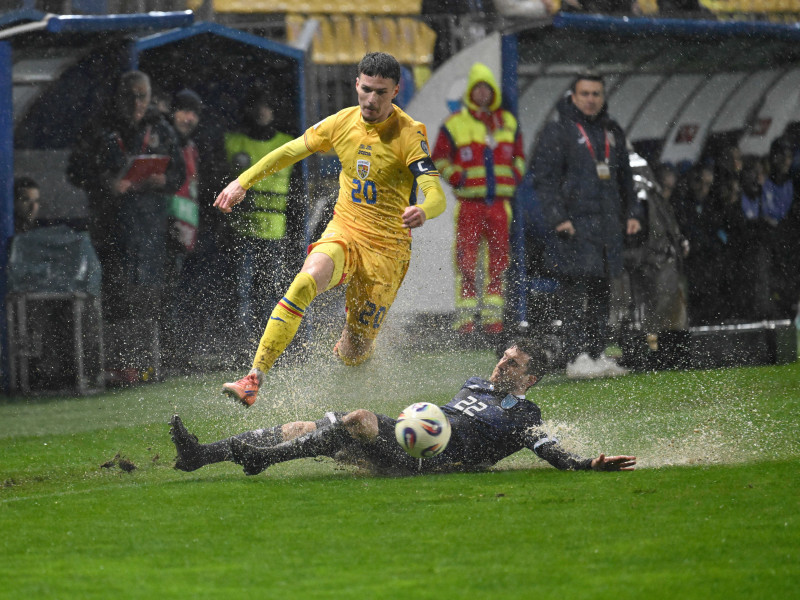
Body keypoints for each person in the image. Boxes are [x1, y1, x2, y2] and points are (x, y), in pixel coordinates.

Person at [214, 52, 447, 406]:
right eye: (366, 89)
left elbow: (436, 194)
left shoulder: (409, 134)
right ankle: (253, 378)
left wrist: (424, 210)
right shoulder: (341, 122)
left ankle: (355, 356)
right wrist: (242, 182)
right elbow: (289, 151)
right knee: (305, 281)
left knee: (354, 350)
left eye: (381, 92)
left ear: (396, 90)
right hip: (346, 230)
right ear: (356, 84)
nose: (371, 99)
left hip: (387, 252)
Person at [169, 340, 636, 476]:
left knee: (357, 419)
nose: (501, 363)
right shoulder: (475, 383)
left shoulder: (523, 416)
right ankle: (200, 456)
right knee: (303, 425)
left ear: (530, 380)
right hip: (413, 439)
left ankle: (260, 460)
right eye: (504, 355)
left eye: (513, 363)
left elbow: (548, 449)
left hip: (434, 461)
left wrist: (584, 464)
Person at [531, 73, 642, 379]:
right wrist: (558, 218)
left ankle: (595, 353)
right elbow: (545, 180)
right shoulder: (558, 131)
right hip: (575, 226)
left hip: (607, 226)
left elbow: (625, 179)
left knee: (602, 293)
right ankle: (574, 356)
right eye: (585, 93)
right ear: (573, 96)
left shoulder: (611, 130)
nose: (591, 99)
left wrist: (632, 213)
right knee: (573, 295)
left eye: (596, 93)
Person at [67, 70, 185, 326]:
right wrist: (104, 182)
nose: (136, 103)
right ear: (118, 98)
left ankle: (150, 361)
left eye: (142, 97)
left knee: (151, 297)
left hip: (150, 228)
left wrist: (164, 180)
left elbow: (179, 172)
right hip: (110, 227)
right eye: (130, 97)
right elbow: (75, 170)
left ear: (150, 97)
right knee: (114, 295)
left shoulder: (161, 129)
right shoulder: (100, 128)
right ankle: (117, 362)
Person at [432, 62, 526, 336]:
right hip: (469, 205)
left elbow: (519, 155)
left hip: (499, 204)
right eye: (478, 88)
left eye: (487, 88)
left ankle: (493, 320)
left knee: (499, 260)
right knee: (466, 259)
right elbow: (439, 158)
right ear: (470, 92)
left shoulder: (507, 123)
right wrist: (458, 178)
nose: (482, 93)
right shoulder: (455, 123)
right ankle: (466, 322)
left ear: (493, 91)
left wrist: (514, 176)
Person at [223, 87, 296, 348]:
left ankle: (269, 341)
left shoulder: (286, 143)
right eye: (258, 105)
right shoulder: (233, 142)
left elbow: (297, 190)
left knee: (271, 292)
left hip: (274, 231)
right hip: (242, 229)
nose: (262, 111)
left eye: (267, 105)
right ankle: (243, 343)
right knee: (241, 292)